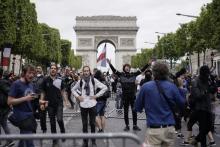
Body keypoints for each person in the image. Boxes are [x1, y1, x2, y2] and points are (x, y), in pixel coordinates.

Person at [135, 62, 185, 147]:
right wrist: (181, 89)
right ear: (167, 73)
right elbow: (182, 103)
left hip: (154, 129)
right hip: (169, 128)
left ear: (153, 73)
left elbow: (137, 107)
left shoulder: (146, 87)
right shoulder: (172, 86)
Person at [107, 59, 149, 131]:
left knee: (134, 111)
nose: (127, 68)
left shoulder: (134, 74)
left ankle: (135, 125)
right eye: (126, 67)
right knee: (126, 111)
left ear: (129, 68)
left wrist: (148, 64)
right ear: (124, 68)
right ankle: (127, 125)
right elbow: (114, 70)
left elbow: (142, 70)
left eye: (128, 67)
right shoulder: (121, 75)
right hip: (125, 96)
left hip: (132, 96)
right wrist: (110, 64)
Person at [71, 66, 107, 147]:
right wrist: (77, 96)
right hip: (83, 105)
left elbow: (105, 87)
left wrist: (97, 95)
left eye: (87, 71)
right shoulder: (80, 81)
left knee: (92, 123)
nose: (86, 72)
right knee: (84, 124)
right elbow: (73, 89)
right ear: (83, 72)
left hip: (92, 104)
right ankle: (85, 142)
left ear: (89, 72)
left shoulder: (94, 80)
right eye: (85, 71)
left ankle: (93, 141)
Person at [8, 65, 39, 147]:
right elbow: (9, 101)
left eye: (33, 73)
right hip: (22, 117)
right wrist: (25, 98)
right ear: (24, 73)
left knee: (22, 142)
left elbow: (31, 97)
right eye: (29, 73)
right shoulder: (16, 84)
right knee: (29, 143)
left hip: (29, 116)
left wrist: (40, 100)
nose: (31, 75)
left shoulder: (31, 84)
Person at [39, 64, 65, 147]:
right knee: (52, 122)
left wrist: (65, 100)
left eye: (55, 68)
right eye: (52, 68)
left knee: (59, 119)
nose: (53, 70)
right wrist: (42, 102)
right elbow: (43, 92)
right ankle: (54, 140)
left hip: (59, 104)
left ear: (57, 70)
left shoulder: (60, 80)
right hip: (49, 104)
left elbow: (63, 91)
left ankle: (62, 131)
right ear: (50, 70)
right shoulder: (45, 80)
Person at [190, 65, 216, 147]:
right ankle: (202, 145)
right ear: (203, 74)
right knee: (203, 128)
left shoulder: (207, 80)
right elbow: (197, 95)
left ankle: (196, 140)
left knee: (209, 127)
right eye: (207, 74)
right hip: (200, 108)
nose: (208, 76)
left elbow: (213, 90)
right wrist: (206, 91)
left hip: (208, 107)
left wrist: (213, 81)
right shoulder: (195, 81)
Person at [0, 67, 15, 147]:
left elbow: (9, 91)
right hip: (6, 106)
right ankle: (10, 140)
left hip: (2, 106)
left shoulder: (2, 82)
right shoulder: (9, 82)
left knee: (3, 123)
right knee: (4, 123)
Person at [32, 66, 47, 133]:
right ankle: (33, 128)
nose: (38, 69)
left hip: (41, 99)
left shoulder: (44, 78)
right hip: (33, 99)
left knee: (42, 116)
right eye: (37, 68)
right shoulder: (33, 77)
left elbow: (46, 90)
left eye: (39, 68)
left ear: (41, 70)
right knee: (31, 114)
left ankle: (44, 129)